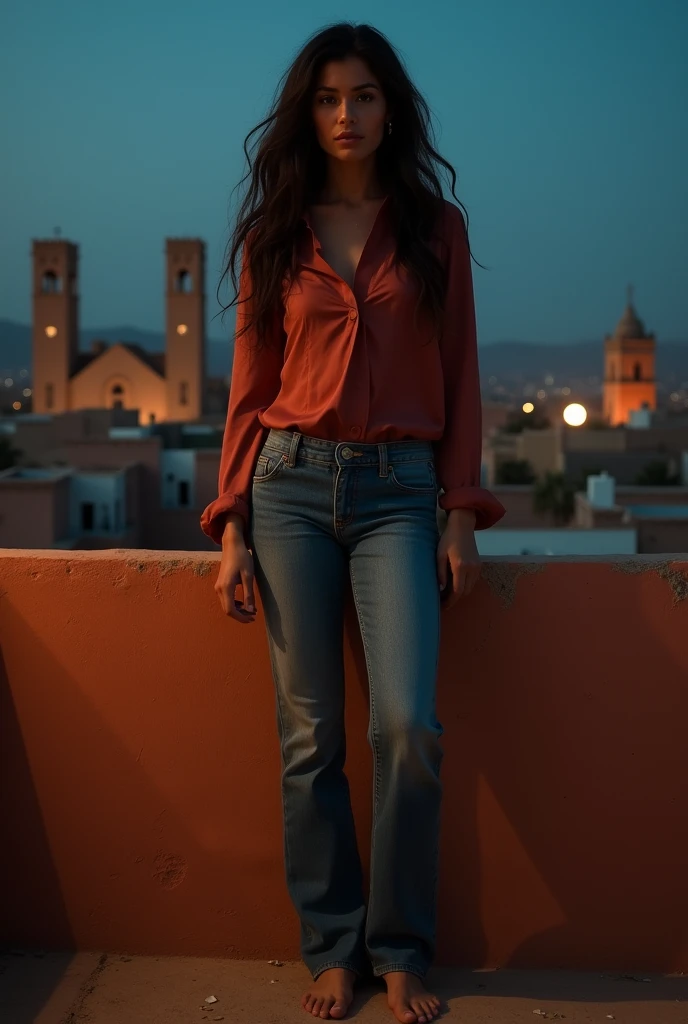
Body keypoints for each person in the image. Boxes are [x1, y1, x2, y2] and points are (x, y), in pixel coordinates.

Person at [200, 21, 506, 1023]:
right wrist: (231, 522)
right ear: (306, 109)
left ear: (391, 106)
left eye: (364, 95)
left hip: (399, 495)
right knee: (311, 737)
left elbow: (460, 375)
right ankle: (333, 946)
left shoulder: (434, 228)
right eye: (329, 98)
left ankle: (402, 946)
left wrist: (461, 513)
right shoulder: (274, 235)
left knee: (406, 726)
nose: (346, 115)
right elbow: (249, 391)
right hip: (286, 489)